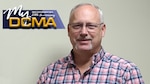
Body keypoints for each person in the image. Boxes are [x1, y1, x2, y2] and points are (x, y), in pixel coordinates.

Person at [37, 3, 144, 84]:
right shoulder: (50, 73)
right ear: (69, 30)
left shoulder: (126, 72)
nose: (83, 32)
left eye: (90, 26)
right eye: (77, 26)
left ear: (102, 30)